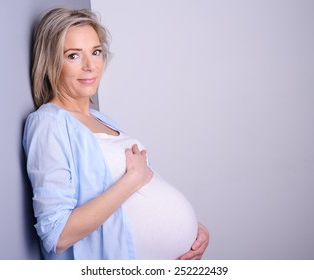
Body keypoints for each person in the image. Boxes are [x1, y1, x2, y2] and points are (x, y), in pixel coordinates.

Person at [23, 7, 209, 260]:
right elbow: (57, 234)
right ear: (51, 62)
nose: (90, 66)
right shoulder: (48, 124)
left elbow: (146, 189)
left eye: (96, 52)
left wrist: (194, 233)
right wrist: (131, 180)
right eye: (73, 56)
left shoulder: (101, 119)